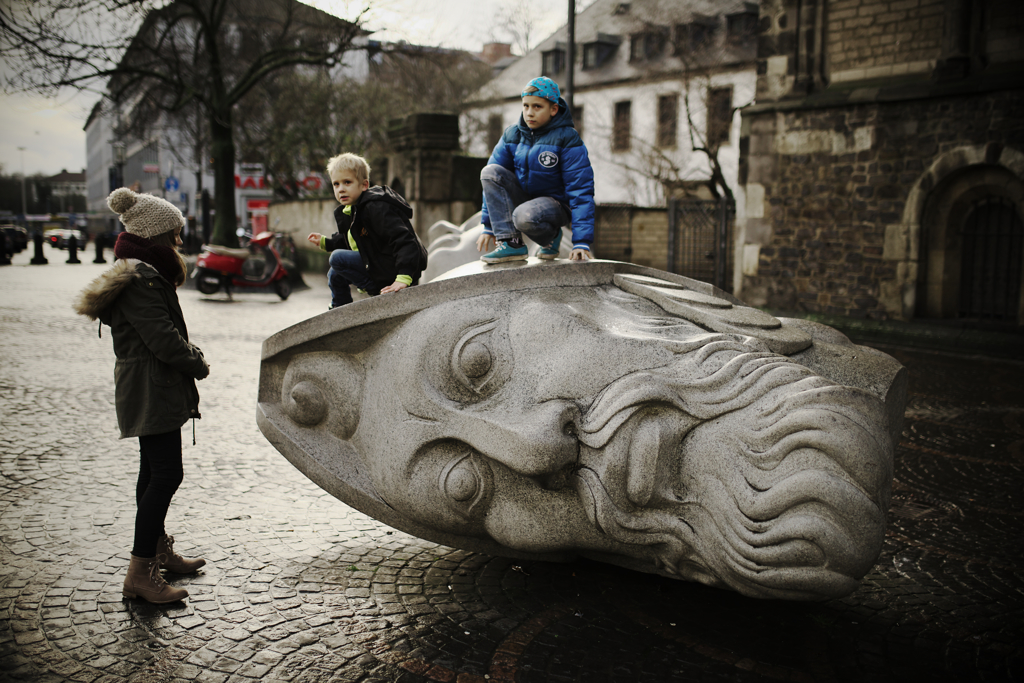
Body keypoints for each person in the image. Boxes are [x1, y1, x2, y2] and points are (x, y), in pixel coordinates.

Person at [73, 187, 210, 605]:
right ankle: (140, 572)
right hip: (153, 386)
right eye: (174, 233)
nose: (180, 242)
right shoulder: (141, 278)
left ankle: (157, 551)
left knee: (153, 472)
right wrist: (197, 362)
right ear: (155, 235)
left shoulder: (144, 272)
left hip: (152, 385)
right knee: (167, 475)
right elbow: (163, 341)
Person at [477, 76, 595, 264]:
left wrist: (581, 242)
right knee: (490, 172)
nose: (529, 113)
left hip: (555, 206)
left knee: (524, 216)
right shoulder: (512, 134)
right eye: (526, 106)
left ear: (554, 109)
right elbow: (494, 183)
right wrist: (489, 226)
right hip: (525, 201)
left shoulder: (567, 139)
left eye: (537, 107)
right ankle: (511, 243)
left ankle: (552, 236)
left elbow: (581, 190)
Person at [307, 153, 427, 308]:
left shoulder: (375, 207)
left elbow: (404, 239)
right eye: (336, 184)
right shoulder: (351, 210)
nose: (341, 189)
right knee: (334, 274)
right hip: (377, 264)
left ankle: (375, 291)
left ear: (364, 185)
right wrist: (326, 242)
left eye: (347, 182)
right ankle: (340, 310)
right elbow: (349, 239)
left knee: (337, 259)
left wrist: (403, 278)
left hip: (394, 270)